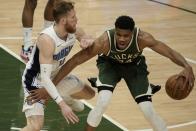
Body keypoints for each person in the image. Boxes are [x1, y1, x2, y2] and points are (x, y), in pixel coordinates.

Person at [29, 15, 195, 131]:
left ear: (133, 33)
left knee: (147, 110)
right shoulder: (104, 41)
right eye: (119, 34)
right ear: (115, 31)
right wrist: (51, 86)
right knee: (103, 101)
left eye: (126, 36)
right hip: (109, 65)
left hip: (134, 67)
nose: (121, 39)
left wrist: (187, 66)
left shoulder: (143, 38)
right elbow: (74, 61)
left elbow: (170, 52)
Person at [21, 1, 95, 131]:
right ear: (63, 21)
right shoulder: (47, 40)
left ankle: (65, 97)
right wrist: (62, 105)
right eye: (73, 18)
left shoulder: (75, 32)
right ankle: (63, 99)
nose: (76, 20)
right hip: (36, 82)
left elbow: (85, 37)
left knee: (90, 94)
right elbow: (45, 79)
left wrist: (87, 40)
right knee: (35, 127)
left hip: (56, 76)